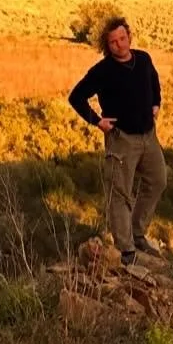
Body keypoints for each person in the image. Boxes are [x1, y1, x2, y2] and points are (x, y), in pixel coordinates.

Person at [67, 15, 166, 266]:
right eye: (113, 42)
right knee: (119, 193)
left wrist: (156, 104)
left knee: (157, 181)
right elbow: (76, 97)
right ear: (107, 46)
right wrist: (97, 121)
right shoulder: (103, 71)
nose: (120, 45)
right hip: (121, 139)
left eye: (123, 38)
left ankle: (137, 233)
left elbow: (154, 82)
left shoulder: (143, 59)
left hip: (148, 135)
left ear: (129, 37)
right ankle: (126, 249)